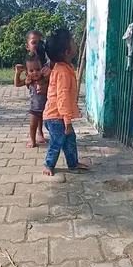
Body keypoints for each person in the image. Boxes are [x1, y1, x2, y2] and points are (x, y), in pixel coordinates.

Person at [43, 28, 89, 176]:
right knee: (57, 141)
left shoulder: (65, 68)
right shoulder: (63, 71)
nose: (76, 44)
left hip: (59, 116)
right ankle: (48, 165)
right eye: (73, 42)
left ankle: (73, 163)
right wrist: (67, 120)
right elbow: (62, 97)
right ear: (67, 52)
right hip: (56, 117)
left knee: (70, 139)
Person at [14, 54, 51, 148]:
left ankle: (44, 135)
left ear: (42, 68)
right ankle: (33, 140)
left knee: (48, 125)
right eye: (31, 70)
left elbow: (53, 86)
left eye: (38, 69)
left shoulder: (45, 79)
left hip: (47, 108)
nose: (35, 72)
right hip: (34, 108)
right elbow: (17, 84)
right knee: (32, 125)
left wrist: (44, 88)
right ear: (27, 72)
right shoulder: (29, 81)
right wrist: (17, 73)